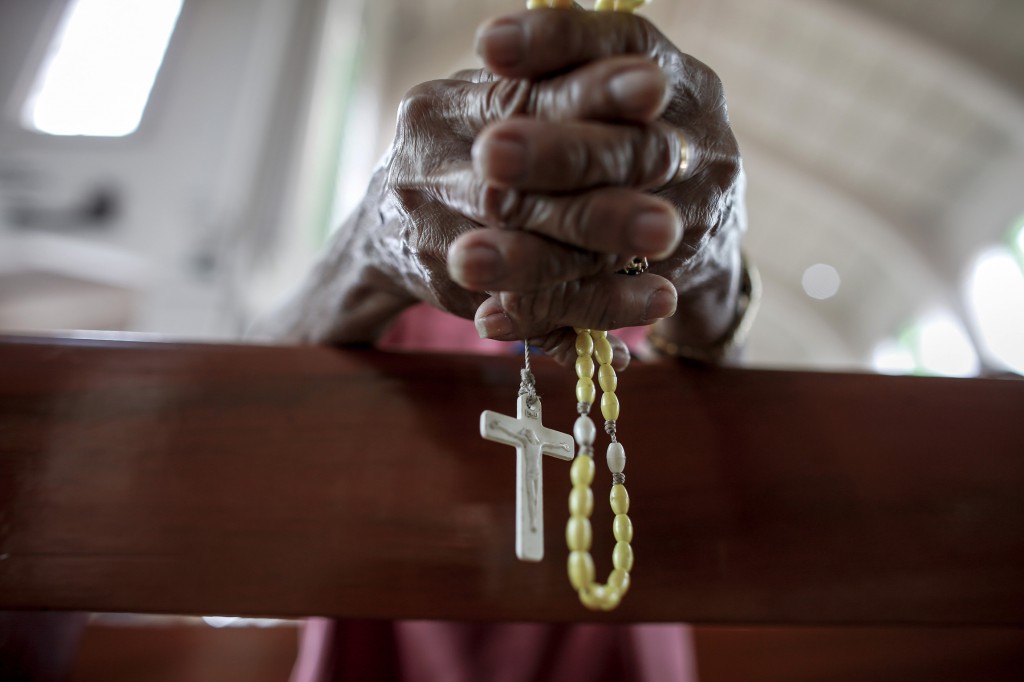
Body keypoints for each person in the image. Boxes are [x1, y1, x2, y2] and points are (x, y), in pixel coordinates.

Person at [253, 7, 749, 681]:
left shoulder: (642, 292)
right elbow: (253, 401)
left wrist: (715, 257)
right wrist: (372, 243)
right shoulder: (409, 272)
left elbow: (735, 446)